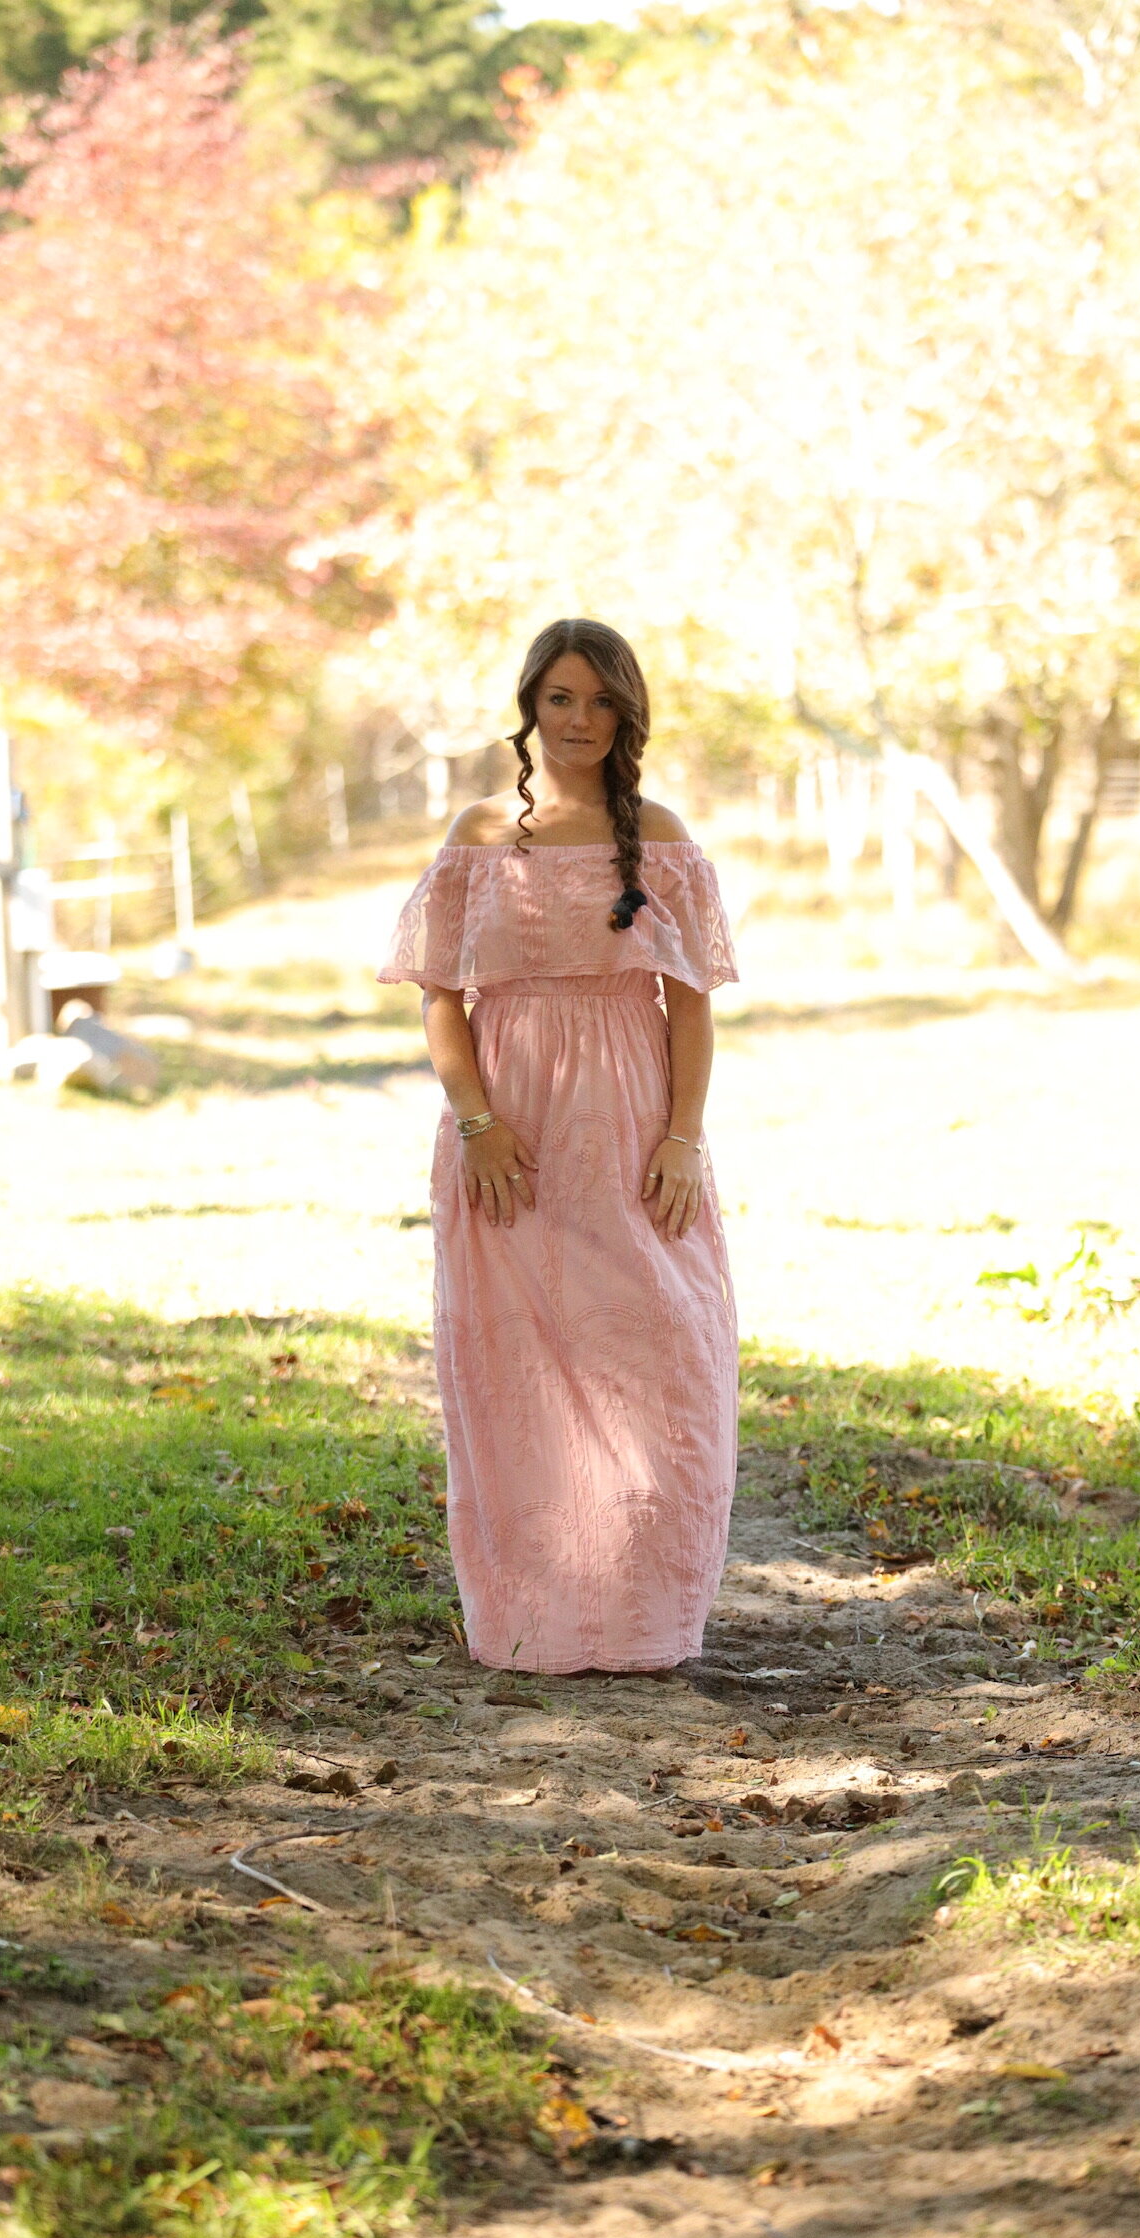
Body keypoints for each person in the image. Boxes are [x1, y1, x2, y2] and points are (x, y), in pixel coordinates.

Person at [378, 618, 740, 1675]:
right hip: (510, 1130)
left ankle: (642, 1617)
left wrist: (683, 1138)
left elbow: (689, 1005)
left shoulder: (659, 835)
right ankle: (532, 1616)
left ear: (628, 713)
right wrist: (476, 1123)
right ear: (530, 706)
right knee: (515, 1365)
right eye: (561, 699)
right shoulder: (481, 834)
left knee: (664, 1354)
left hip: (629, 1121)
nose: (581, 720)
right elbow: (441, 998)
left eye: (601, 700)